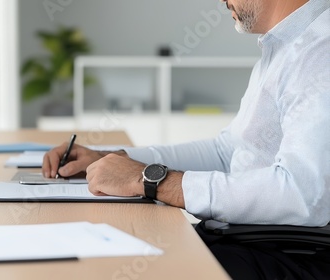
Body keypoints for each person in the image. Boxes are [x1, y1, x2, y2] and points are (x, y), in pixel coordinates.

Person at [43, 0, 330, 278]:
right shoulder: (283, 47)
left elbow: (303, 195)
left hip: (291, 256)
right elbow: (226, 151)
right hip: (249, 241)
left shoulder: (320, 52)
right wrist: (115, 158)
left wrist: (150, 180)